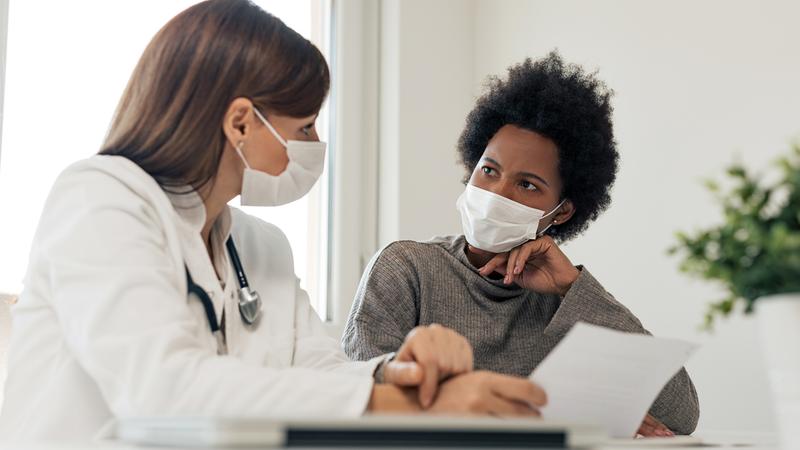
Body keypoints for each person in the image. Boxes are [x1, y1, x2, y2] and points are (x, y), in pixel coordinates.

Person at [0, 1, 548, 441]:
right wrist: (402, 408)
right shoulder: (100, 199)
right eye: (305, 126)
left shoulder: (261, 246)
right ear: (241, 121)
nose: (314, 146)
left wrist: (396, 372)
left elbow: (319, 370)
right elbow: (161, 388)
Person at [342, 52, 700, 436]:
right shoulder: (406, 268)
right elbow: (356, 400)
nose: (498, 191)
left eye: (527, 184)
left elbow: (680, 416)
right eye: (489, 170)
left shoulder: (566, 301)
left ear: (561, 212)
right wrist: (528, 419)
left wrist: (573, 289)